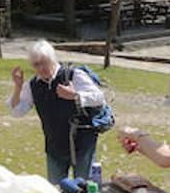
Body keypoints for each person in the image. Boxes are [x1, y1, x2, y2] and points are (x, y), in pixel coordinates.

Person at [8, 39, 106, 184]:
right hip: (55, 147)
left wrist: (75, 96)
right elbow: (17, 111)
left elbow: (100, 98)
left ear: (53, 59)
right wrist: (17, 87)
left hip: (82, 144)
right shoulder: (33, 85)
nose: (41, 68)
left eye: (44, 62)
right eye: (36, 64)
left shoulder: (73, 75)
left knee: (85, 191)